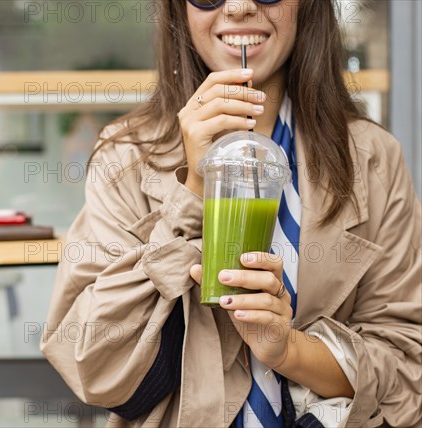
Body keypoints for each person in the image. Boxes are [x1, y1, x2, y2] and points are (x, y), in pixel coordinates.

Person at [41, 0, 421, 427]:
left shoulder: (374, 159)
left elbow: (407, 366)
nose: (239, 7)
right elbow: (95, 368)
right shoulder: (125, 157)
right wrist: (193, 193)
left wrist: (288, 350)